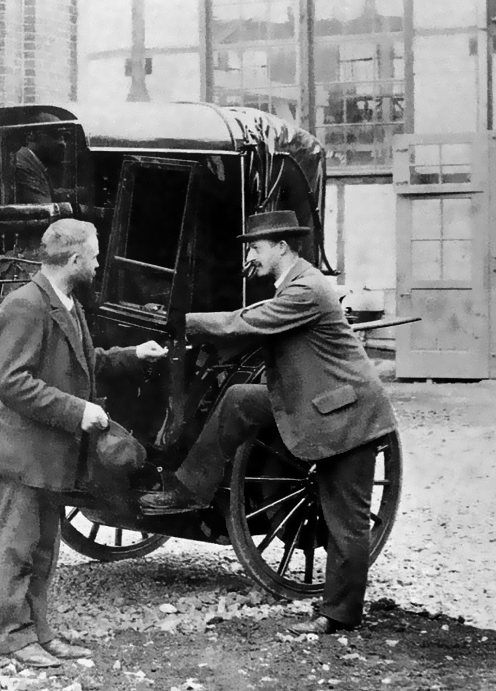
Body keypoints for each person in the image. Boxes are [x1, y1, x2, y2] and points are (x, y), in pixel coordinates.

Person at [138, 210, 397, 635]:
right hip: (311, 401)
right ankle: (187, 488)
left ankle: (339, 614)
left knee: (345, 521)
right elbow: (254, 313)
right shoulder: (294, 283)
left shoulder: (308, 289)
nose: (250, 258)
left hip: (347, 415)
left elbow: (248, 321)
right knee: (240, 399)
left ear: (281, 247)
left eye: (255, 249)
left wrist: (179, 323)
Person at [0, 218, 167, 667]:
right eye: (95, 256)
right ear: (75, 259)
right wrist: (78, 411)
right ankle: (13, 639)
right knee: (15, 547)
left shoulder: (65, 302)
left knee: (42, 550)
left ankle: (39, 633)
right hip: (22, 452)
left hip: (47, 454)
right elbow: (10, 381)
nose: (99, 264)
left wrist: (133, 355)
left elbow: (82, 363)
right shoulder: (25, 304)